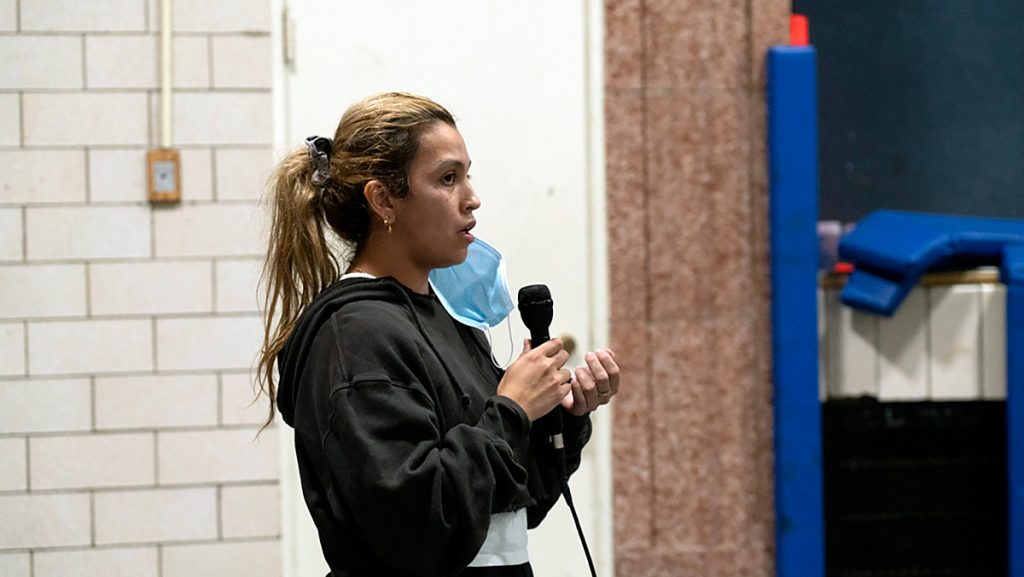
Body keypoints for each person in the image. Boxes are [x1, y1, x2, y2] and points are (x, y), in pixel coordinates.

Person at [257, 92, 620, 577]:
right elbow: (417, 522)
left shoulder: (451, 317)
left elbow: (516, 506)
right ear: (383, 199)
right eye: (447, 179)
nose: (472, 198)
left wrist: (558, 419)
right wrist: (511, 410)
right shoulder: (355, 335)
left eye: (467, 175)